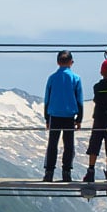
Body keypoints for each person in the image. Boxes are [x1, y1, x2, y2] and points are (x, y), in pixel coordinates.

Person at [43, 50, 84, 182]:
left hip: (54, 115)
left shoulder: (52, 78)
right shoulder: (76, 78)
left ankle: (49, 173)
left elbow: (47, 99)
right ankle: (66, 172)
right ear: (71, 62)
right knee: (69, 145)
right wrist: (79, 118)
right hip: (69, 116)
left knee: (52, 144)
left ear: (57, 62)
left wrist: (46, 118)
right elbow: (80, 100)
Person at [83, 58, 107, 184]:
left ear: (101, 72)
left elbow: (96, 99)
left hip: (98, 119)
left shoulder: (97, 87)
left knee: (94, 144)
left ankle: (91, 171)